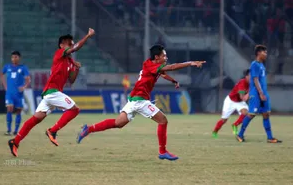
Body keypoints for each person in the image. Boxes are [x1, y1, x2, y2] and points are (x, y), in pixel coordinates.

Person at [76, 44, 206, 161]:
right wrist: (190, 63)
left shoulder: (151, 64)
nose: (166, 58)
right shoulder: (152, 66)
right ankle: (162, 152)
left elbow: (163, 73)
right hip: (140, 100)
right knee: (163, 121)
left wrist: (173, 81)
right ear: (157, 57)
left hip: (134, 99)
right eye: (164, 56)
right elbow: (171, 67)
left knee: (118, 123)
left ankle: (89, 129)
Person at [8, 28, 95, 157]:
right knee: (75, 110)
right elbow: (76, 48)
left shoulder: (70, 62)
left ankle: (15, 141)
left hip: (52, 94)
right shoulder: (60, 53)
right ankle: (52, 131)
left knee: (36, 119)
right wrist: (87, 36)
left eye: (71, 42)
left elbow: (71, 80)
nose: (71, 44)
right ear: (61, 45)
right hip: (52, 92)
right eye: (68, 43)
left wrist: (76, 69)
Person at [236, 45, 282, 143]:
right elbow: (255, 79)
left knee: (266, 114)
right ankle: (240, 134)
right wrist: (260, 93)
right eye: (264, 52)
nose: (266, 54)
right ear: (258, 53)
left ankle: (270, 138)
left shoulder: (261, 65)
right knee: (251, 114)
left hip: (263, 94)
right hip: (256, 94)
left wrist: (264, 92)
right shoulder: (255, 64)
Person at [212, 69, 250, 138]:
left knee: (246, 113)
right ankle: (215, 131)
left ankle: (235, 125)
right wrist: (249, 95)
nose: (252, 77)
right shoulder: (242, 83)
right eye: (251, 75)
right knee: (224, 120)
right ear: (246, 76)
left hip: (239, 102)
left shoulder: (252, 83)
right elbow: (242, 97)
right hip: (230, 101)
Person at [0, 51, 30, 135]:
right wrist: (5, 85)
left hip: (19, 94)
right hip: (9, 93)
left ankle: (16, 130)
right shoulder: (7, 67)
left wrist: (24, 87)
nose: (14, 59)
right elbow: (1, 74)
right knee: (9, 108)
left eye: (16, 57)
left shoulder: (23, 68)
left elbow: (28, 79)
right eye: (12, 57)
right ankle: (9, 130)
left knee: (18, 111)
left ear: (19, 58)